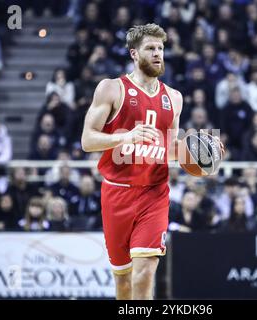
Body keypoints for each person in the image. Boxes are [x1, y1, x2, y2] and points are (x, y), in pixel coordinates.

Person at [80, 23, 183, 300]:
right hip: (116, 192)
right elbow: (87, 141)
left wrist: (199, 156)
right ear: (134, 54)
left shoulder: (174, 98)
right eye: (150, 48)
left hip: (154, 193)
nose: (157, 53)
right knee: (123, 284)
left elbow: (170, 148)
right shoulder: (111, 88)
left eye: (160, 48)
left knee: (144, 273)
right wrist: (124, 138)